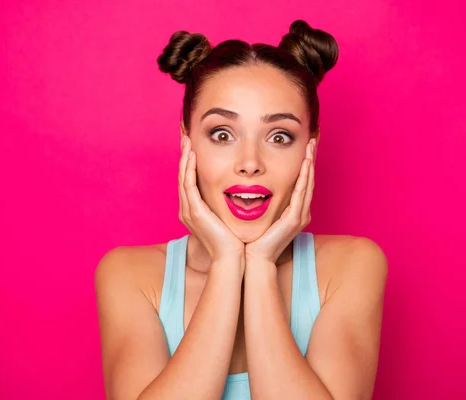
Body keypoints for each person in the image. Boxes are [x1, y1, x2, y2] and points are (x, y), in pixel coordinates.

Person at [95, 20, 388, 400]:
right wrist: (227, 263)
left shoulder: (352, 265)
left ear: (310, 148)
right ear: (187, 141)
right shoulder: (129, 275)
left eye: (280, 137)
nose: (250, 162)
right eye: (222, 134)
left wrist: (261, 264)